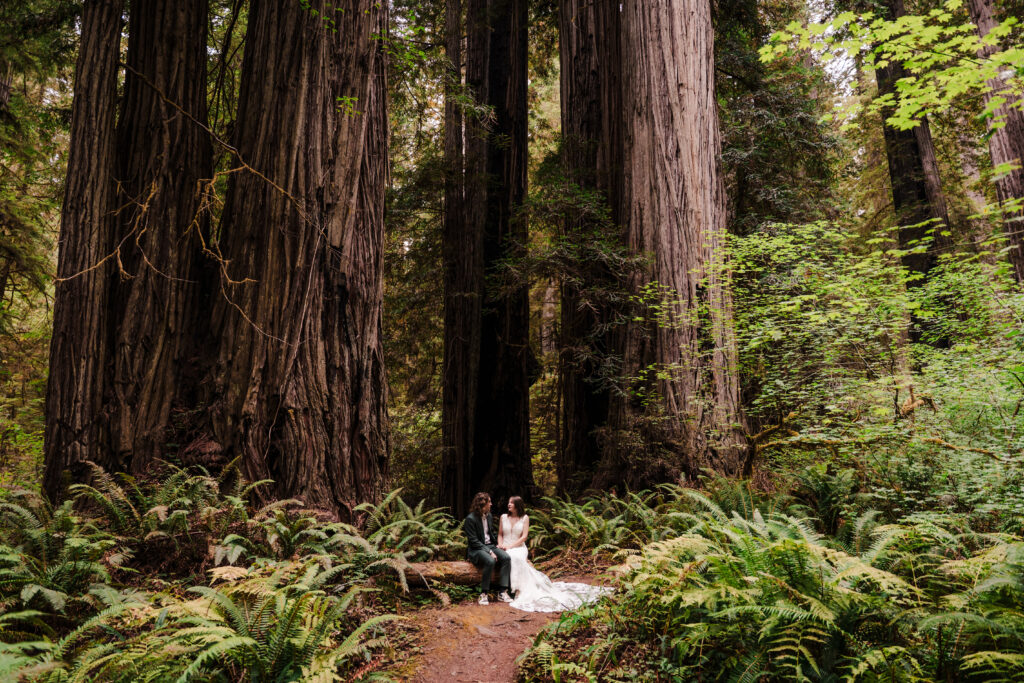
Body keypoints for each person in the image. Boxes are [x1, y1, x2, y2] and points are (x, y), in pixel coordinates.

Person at [498, 496, 613, 613]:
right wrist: (501, 544)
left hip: (519, 547)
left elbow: (524, 537)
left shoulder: (524, 518)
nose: (509, 504)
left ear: (518, 505)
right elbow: (500, 534)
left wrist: (510, 547)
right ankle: (507, 589)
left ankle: (516, 589)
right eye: (509, 502)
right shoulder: (503, 517)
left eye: (512, 502)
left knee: (515, 557)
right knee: (509, 556)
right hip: (504, 546)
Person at [463, 492, 512, 605]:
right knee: (490, 561)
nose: (491, 504)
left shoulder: (488, 515)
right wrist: (489, 551)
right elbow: (473, 541)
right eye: (489, 502)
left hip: (490, 545)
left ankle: (502, 592)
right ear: (482, 504)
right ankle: (484, 593)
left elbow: (491, 533)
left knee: (506, 558)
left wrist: (498, 545)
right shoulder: (470, 519)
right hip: (477, 549)